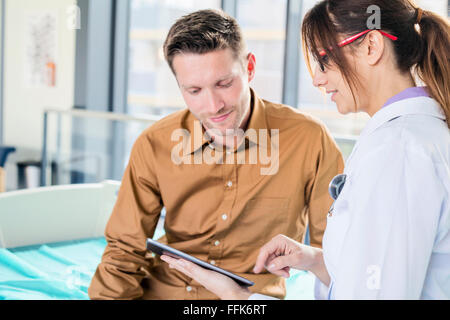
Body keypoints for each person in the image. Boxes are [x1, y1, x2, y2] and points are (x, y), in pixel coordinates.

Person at [161, 0, 450, 299]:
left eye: (324, 60)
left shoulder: (398, 151)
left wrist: (240, 299)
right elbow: (376, 273)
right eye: (193, 90)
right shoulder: (408, 138)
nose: (317, 78)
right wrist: (315, 260)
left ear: (371, 46)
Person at [88, 9, 344, 300]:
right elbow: (124, 251)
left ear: (249, 68)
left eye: (223, 84)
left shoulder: (309, 140)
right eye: (194, 90)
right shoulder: (154, 144)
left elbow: (338, 258)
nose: (213, 106)